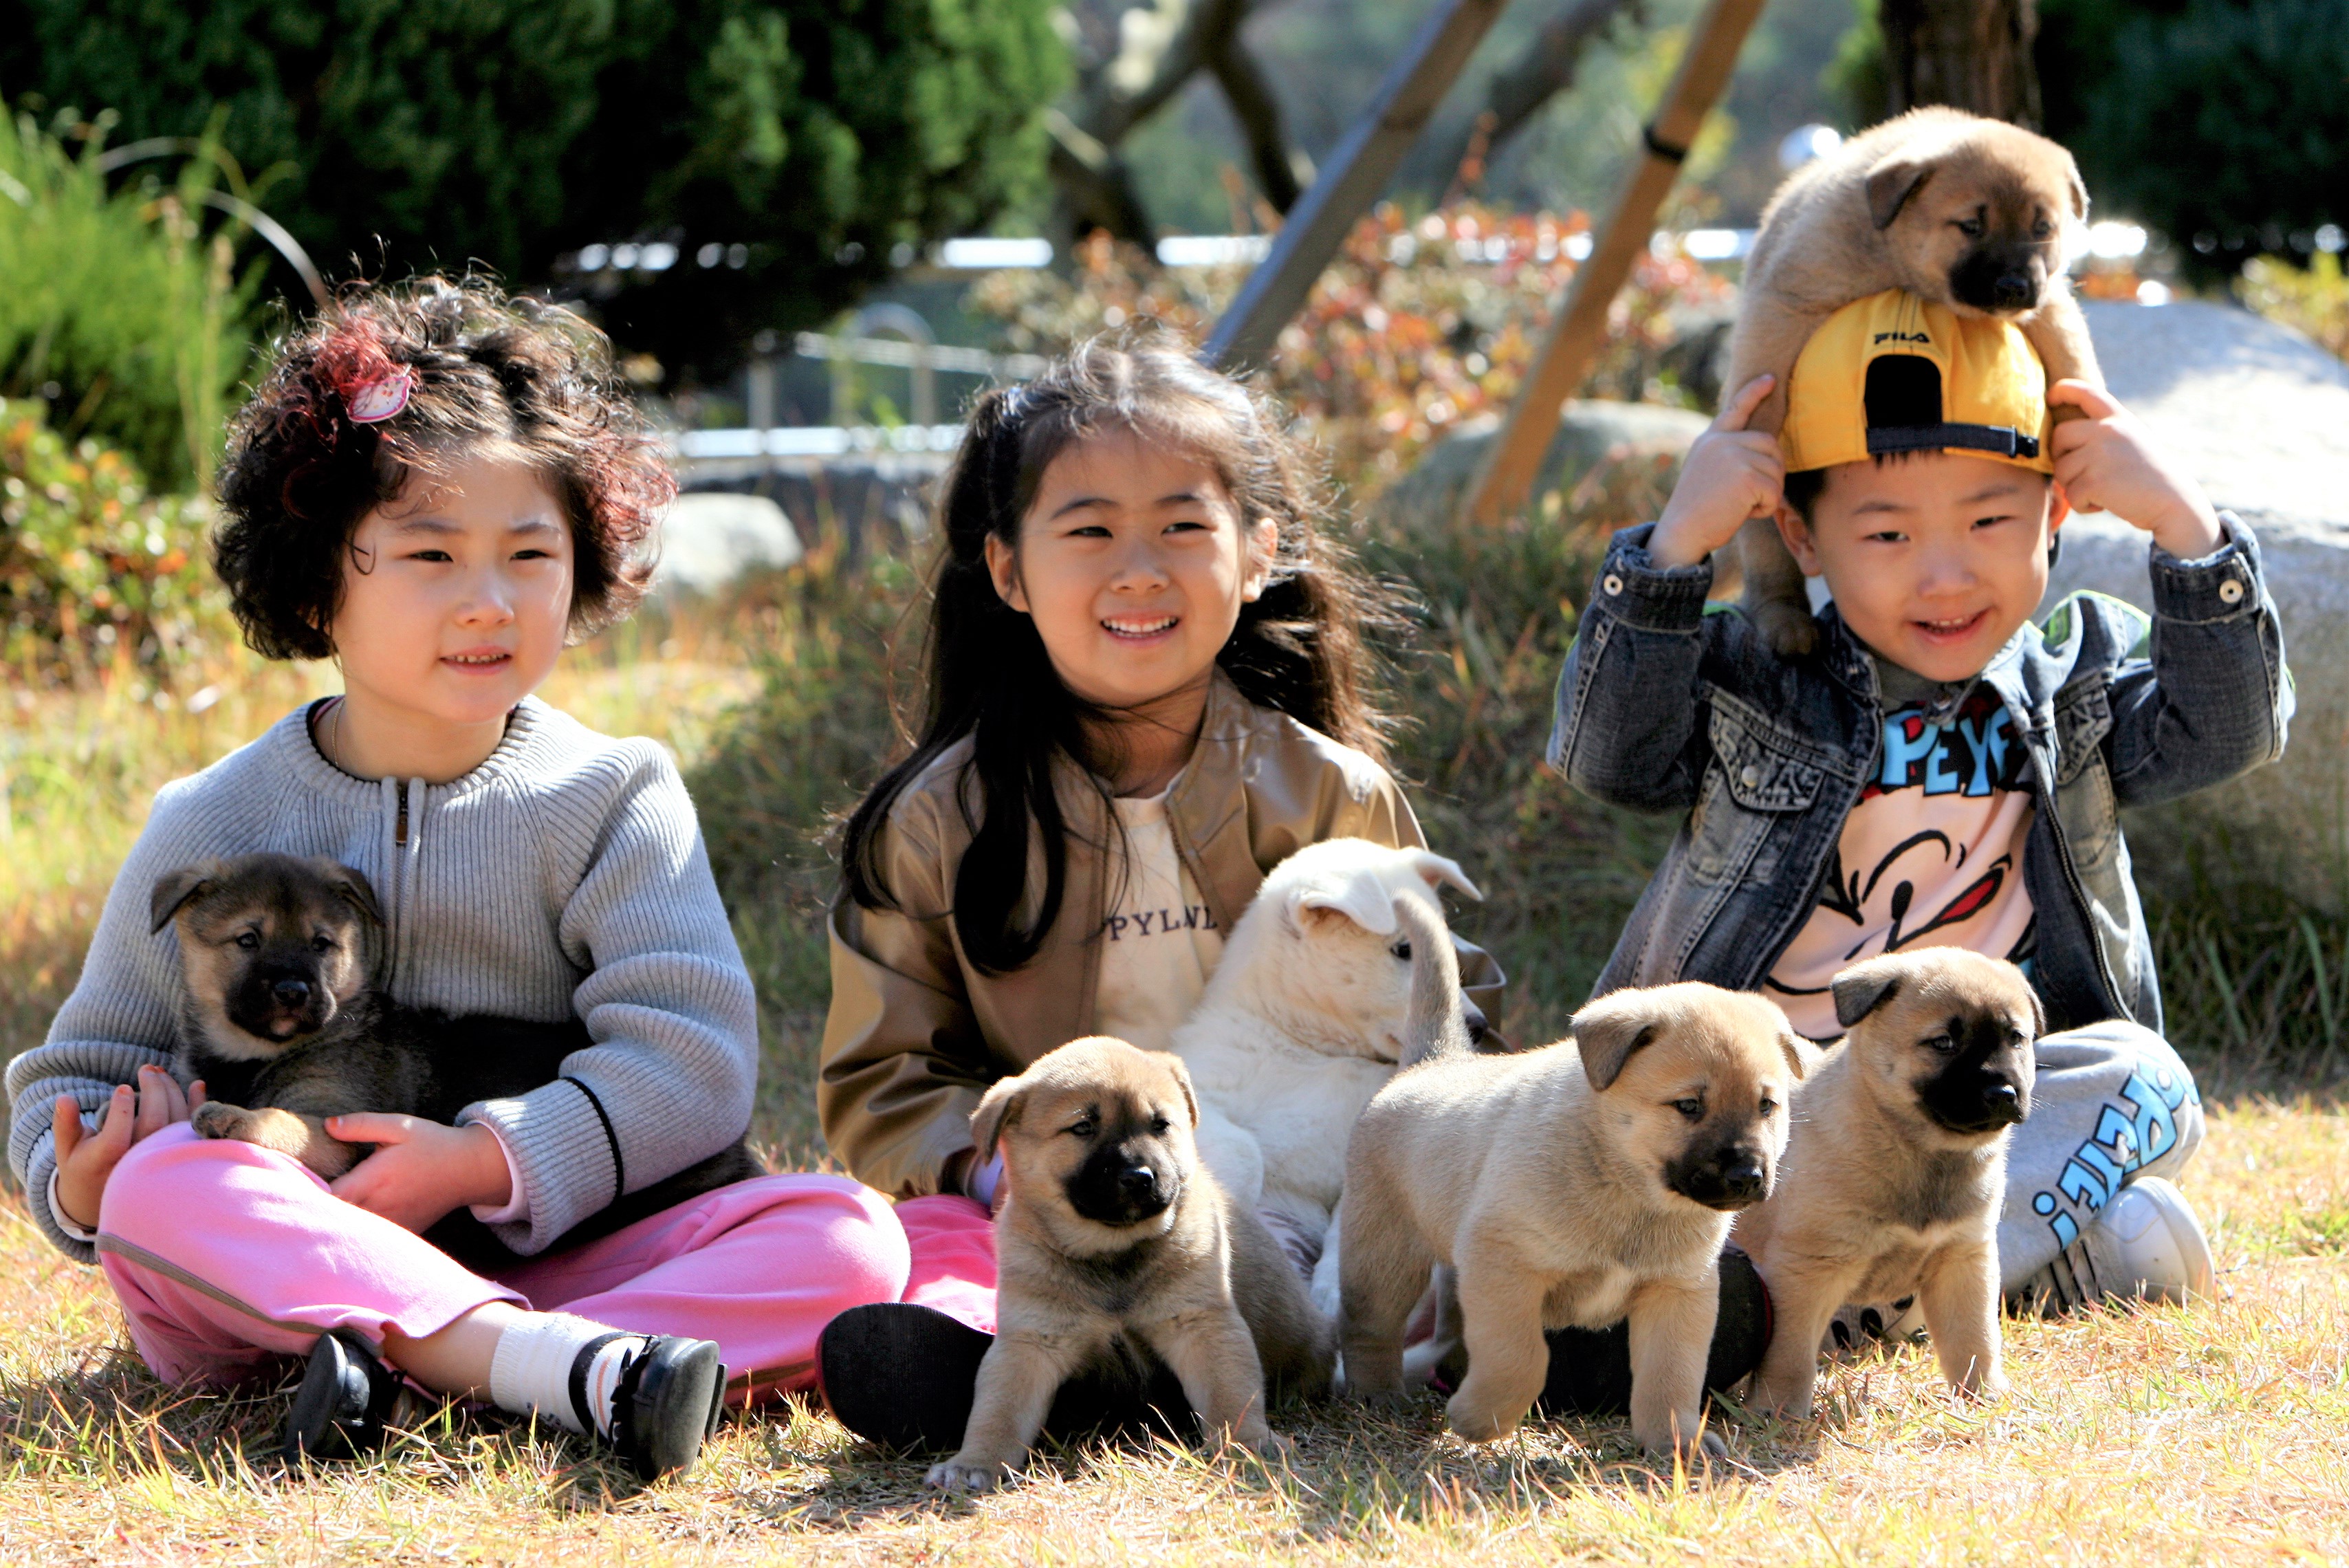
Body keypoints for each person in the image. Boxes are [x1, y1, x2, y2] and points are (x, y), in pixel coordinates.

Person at [2, 277, 983, 1480]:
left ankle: (452, 1367)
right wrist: (83, 1173)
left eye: (530, 552)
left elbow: (693, 1057)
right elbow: (71, 1073)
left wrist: (485, 1161)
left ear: (586, 566)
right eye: (430, 553)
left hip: (564, 1248)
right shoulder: (213, 820)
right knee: (166, 1189)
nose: (488, 599)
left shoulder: (613, 797)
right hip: (290, 1261)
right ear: (319, 581)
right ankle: (557, 1372)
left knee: (844, 1239)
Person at [811, 340, 1555, 1446]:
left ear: (1257, 555)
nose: (1140, 568)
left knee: (1515, 1234)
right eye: (1090, 530)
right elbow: (884, 1075)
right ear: (1009, 572)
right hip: (1060, 1217)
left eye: (1182, 525)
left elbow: (1441, 1023)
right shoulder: (940, 819)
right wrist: (987, 1171)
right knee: (900, 1257)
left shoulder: (1327, 792)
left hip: (1309, 1208)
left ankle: (1555, 1338)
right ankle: (1019, 1366)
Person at [1551, 290, 2289, 1338]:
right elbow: (1611, 758)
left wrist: (2189, 527)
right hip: (1770, 1106)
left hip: (1967, 1094)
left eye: (1991, 520)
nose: (1946, 573)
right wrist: (1673, 552)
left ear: (2057, 512)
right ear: (1802, 536)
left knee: (2149, 1080)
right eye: (1888, 532)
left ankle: (1843, 1296)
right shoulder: (1764, 676)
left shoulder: (2071, 681)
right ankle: (2018, 1255)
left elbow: (2227, 734)